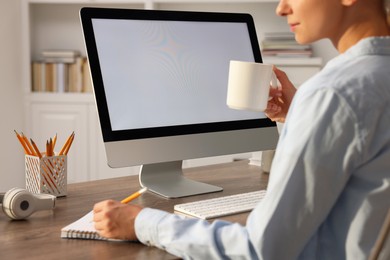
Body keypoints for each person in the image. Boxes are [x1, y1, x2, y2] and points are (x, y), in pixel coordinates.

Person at [93, 0, 390, 258]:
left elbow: (259, 250)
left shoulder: (332, 94)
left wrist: (142, 223)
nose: (281, 8)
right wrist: (299, 114)